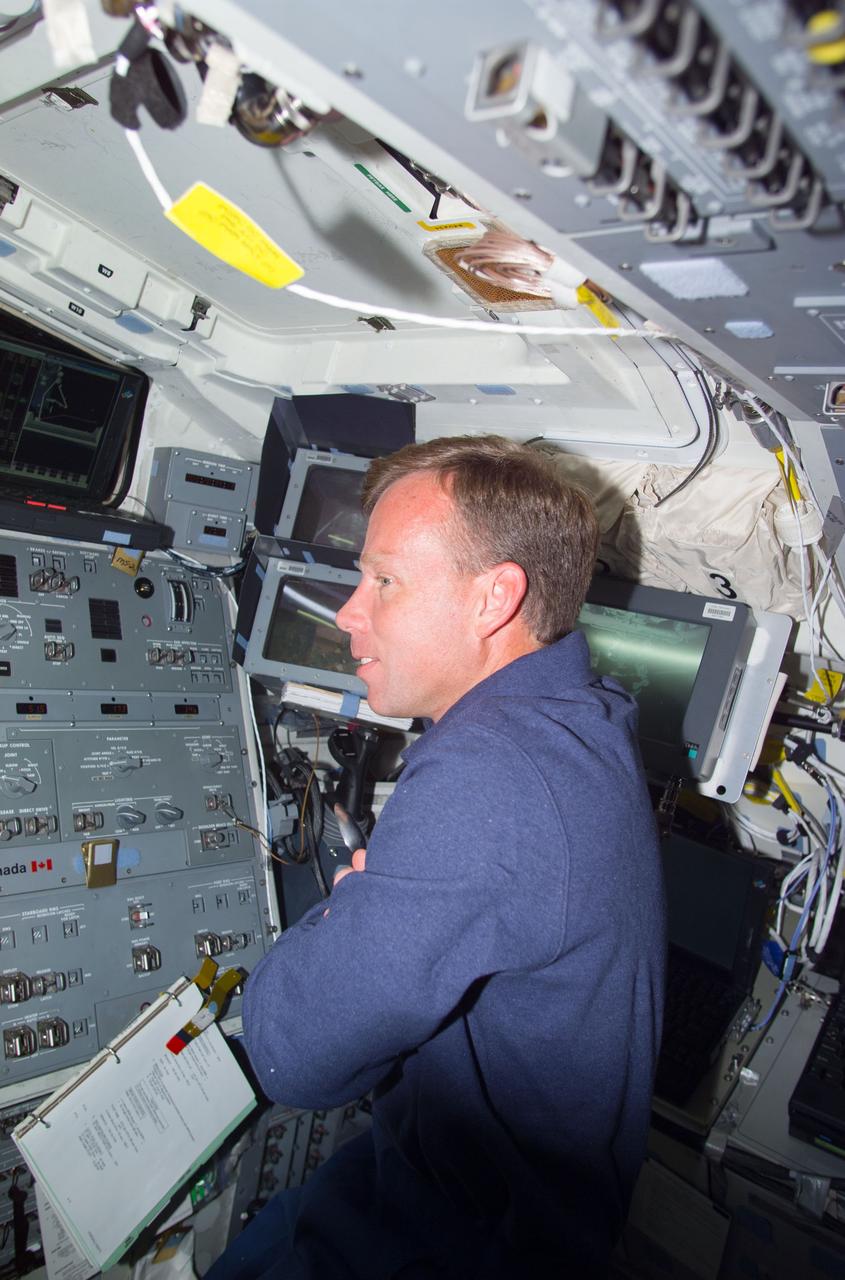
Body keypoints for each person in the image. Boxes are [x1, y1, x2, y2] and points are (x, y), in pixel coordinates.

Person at [214, 435, 665, 1279]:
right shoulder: (578, 712)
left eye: (383, 581)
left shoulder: (490, 774)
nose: (348, 612)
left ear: (494, 598)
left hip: (462, 1236)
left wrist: (344, 910)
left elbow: (292, 1056)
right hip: (477, 1185)